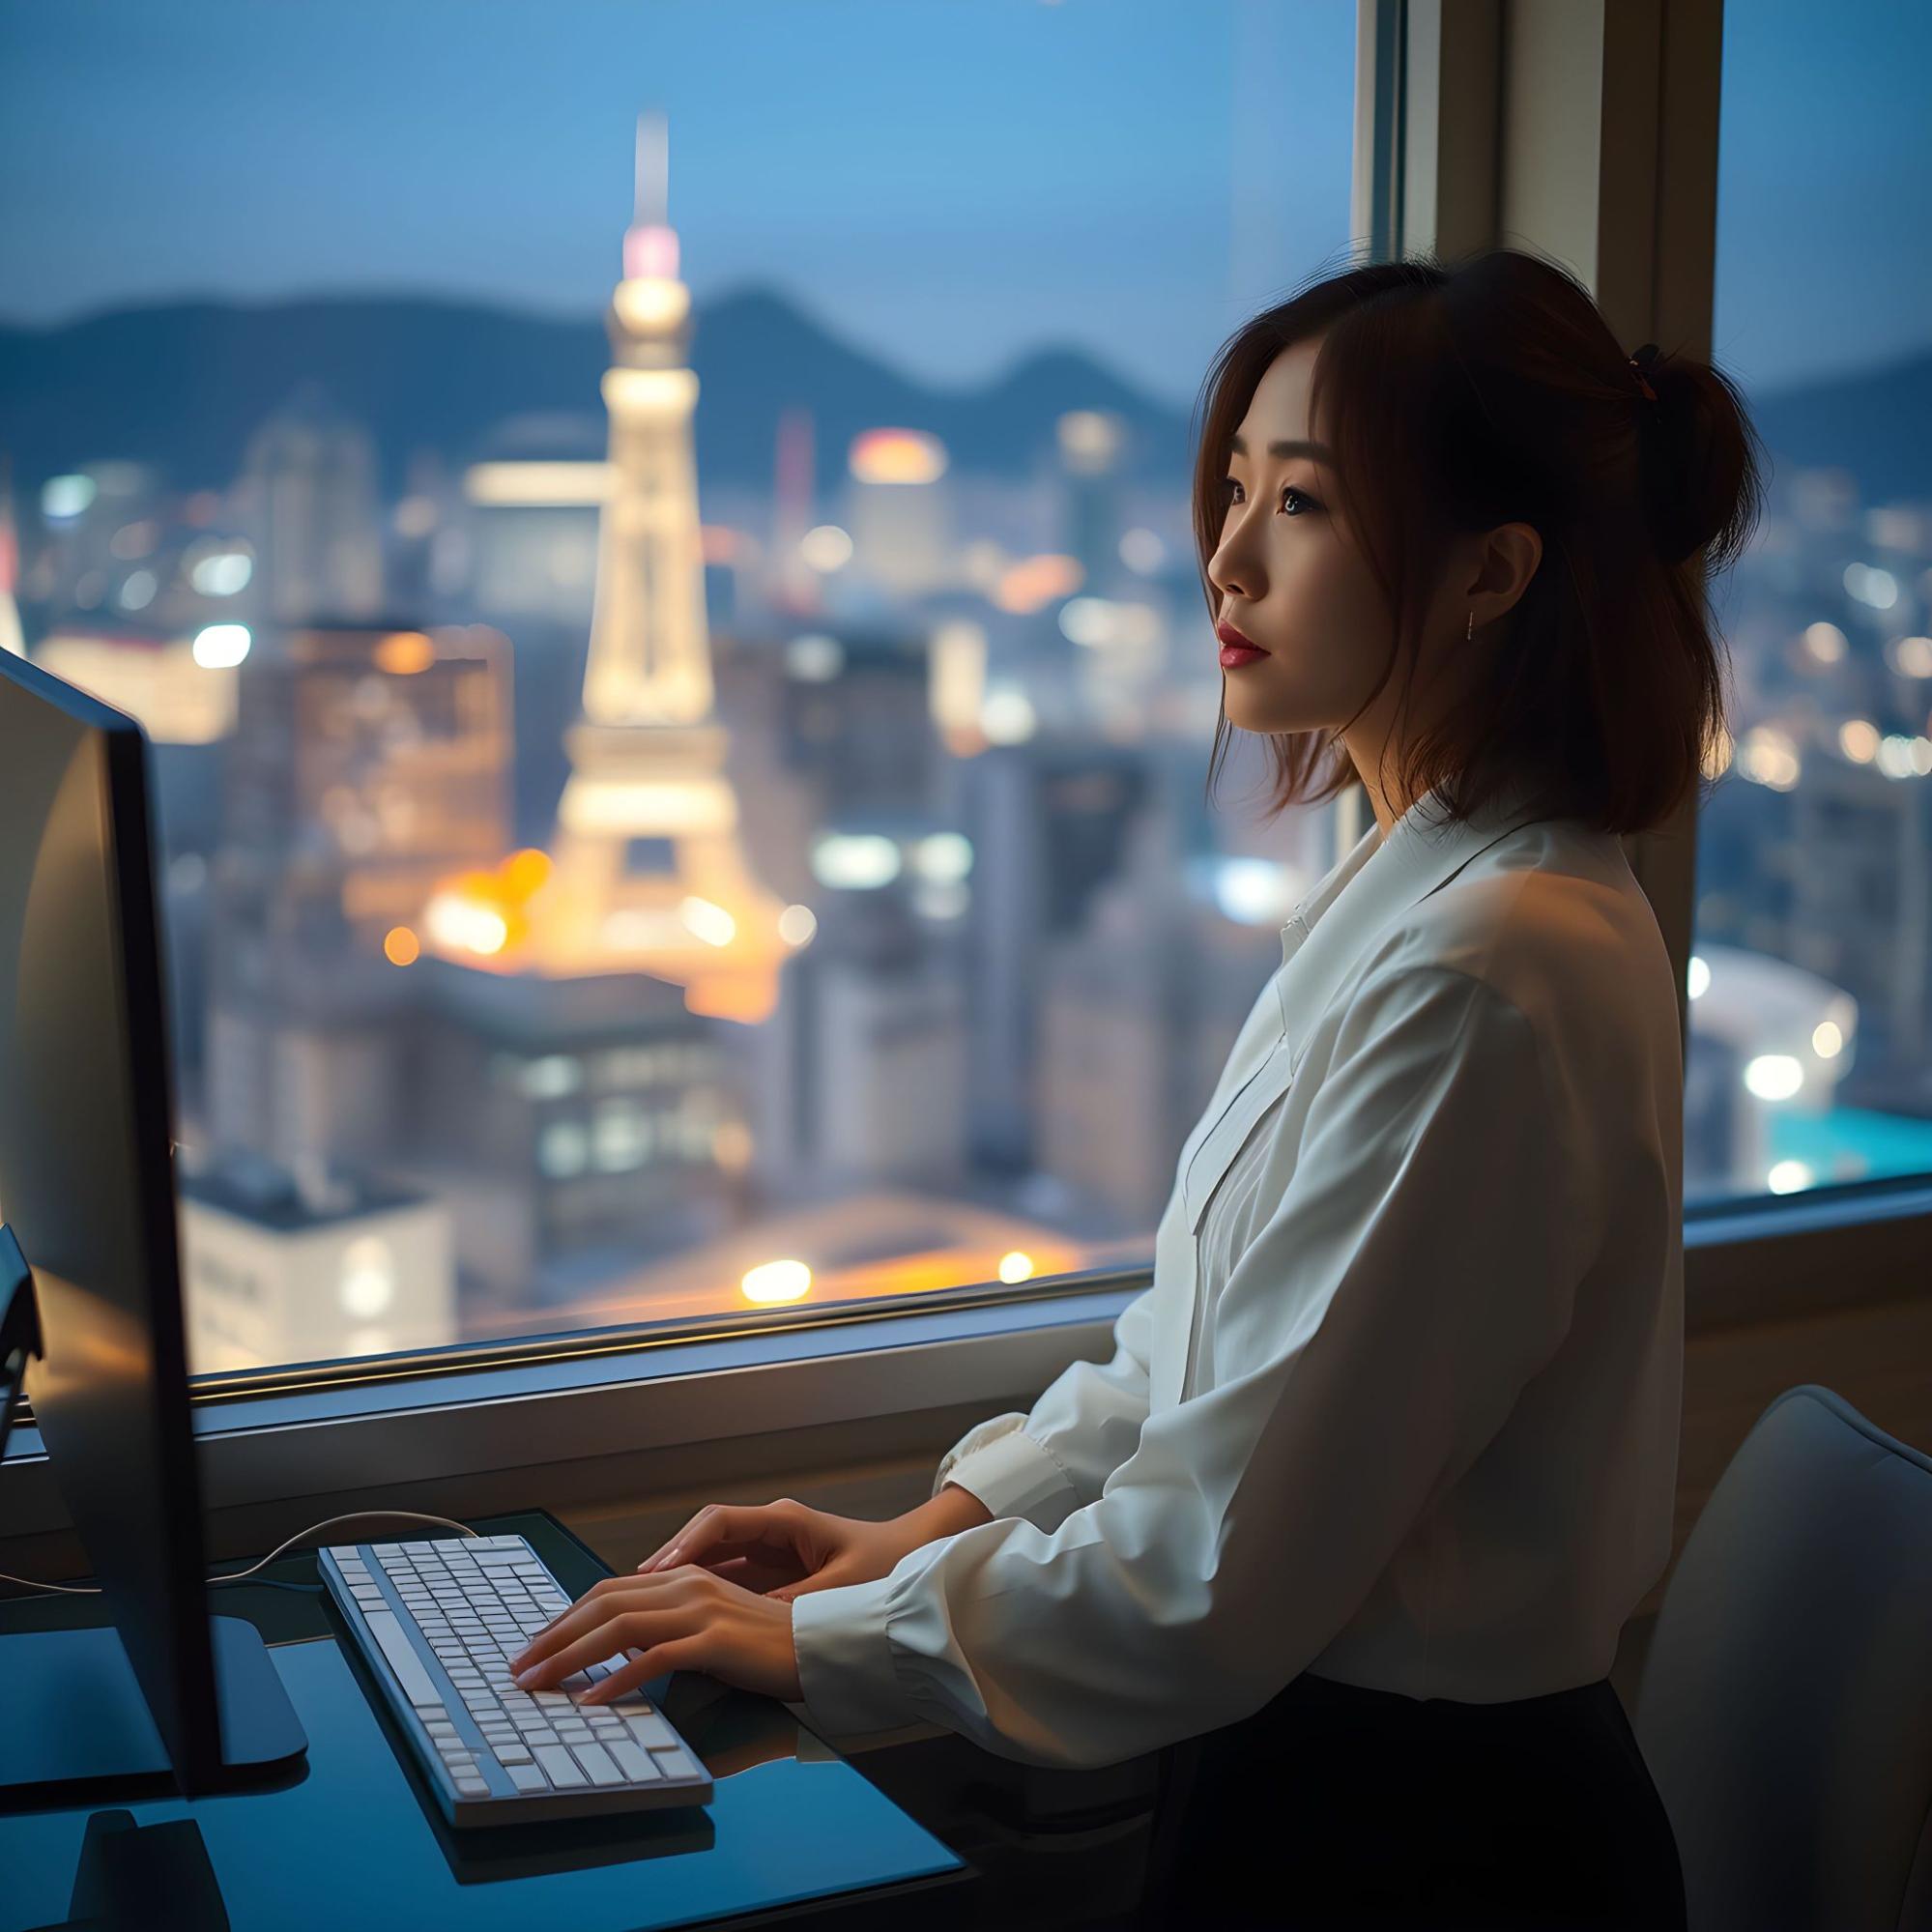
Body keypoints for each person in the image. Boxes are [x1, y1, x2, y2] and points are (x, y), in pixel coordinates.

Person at [506, 245, 1767, 1930]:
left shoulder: (1492, 970)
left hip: (1427, 1851)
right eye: (1233, 487)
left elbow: (1213, 1569)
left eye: (1302, 503)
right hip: (1323, 1784)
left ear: (1492, 571)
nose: (1224, 556)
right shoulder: (1421, 890)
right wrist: (934, 1524)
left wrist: (821, 1641)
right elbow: (1203, 1355)